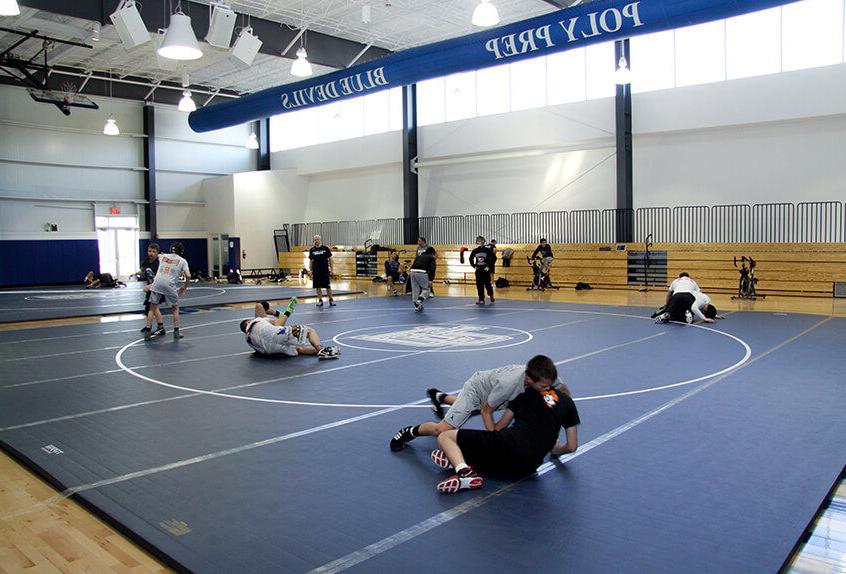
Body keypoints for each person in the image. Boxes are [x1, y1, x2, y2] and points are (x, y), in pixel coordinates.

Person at [429, 355, 580, 494]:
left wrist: (491, 438)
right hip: (529, 466)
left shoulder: (523, 394)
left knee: (445, 436)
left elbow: (499, 426)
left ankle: (464, 472)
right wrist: (555, 448)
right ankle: (466, 459)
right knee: (502, 454)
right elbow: (572, 446)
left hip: (509, 446)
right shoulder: (568, 403)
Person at [390, 362, 570, 452]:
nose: (547, 390)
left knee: (469, 409)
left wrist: (557, 412)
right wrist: (495, 441)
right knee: (442, 429)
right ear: (531, 380)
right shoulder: (509, 385)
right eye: (544, 387)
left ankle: (440, 397)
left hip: (498, 394)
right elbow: (486, 410)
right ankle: (408, 432)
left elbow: (563, 392)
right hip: (478, 390)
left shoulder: (545, 376)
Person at [239, 298, 340, 359]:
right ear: (248, 321)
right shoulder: (257, 321)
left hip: (271, 351)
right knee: (309, 331)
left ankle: (322, 352)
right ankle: (321, 349)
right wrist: (288, 311)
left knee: (299, 349)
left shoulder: (248, 340)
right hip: (274, 335)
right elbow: (278, 324)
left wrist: (275, 313)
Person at [143, 242, 190, 341]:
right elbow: (188, 275)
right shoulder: (183, 261)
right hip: (169, 284)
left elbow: (155, 255)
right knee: (175, 308)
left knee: (152, 307)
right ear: (181, 251)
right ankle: (176, 331)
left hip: (157, 282)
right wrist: (184, 287)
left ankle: (147, 331)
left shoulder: (163, 256)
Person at [137, 243, 164, 336]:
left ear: (157, 253)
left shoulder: (159, 263)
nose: (151, 253)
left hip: (157, 287)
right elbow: (142, 270)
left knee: (152, 307)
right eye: (149, 251)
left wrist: (151, 286)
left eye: (153, 252)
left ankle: (158, 327)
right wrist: (136, 273)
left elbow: (161, 278)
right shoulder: (147, 261)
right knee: (150, 308)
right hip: (150, 288)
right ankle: (153, 325)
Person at [308, 235, 335, 307]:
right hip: (316, 271)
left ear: (320, 240)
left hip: (325, 270)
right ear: (313, 241)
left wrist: (332, 269)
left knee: (328, 286)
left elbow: (330, 259)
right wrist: (310, 270)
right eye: (315, 239)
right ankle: (320, 300)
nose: (316, 241)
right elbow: (311, 261)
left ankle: (331, 300)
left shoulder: (325, 248)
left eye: (317, 239)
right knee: (318, 286)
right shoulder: (312, 250)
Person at [468, 235, 496, 305]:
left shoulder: (488, 250)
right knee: (479, 285)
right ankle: (481, 299)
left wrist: (489, 267)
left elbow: (494, 258)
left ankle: (491, 295)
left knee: (487, 284)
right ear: (476, 242)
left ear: (483, 241)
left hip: (486, 270)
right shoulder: (475, 251)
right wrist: (474, 266)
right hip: (478, 271)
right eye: (478, 241)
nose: (479, 242)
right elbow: (470, 258)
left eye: (481, 241)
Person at [409, 246, 437, 312]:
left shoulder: (418, 256)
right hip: (421, 272)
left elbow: (413, 265)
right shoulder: (431, 257)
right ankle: (419, 300)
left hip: (412, 272)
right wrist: (430, 280)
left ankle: (417, 306)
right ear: (432, 253)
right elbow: (433, 269)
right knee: (427, 289)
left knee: (415, 289)